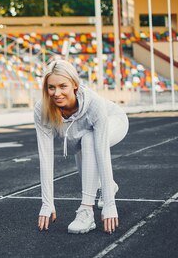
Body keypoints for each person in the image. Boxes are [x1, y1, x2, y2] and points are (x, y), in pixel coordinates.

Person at [34, 59, 128, 234]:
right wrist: (47, 204)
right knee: (85, 149)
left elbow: (102, 154)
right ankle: (105, 186)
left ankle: (86, 211)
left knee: (89, 139)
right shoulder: (42, 110)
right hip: (83, 133)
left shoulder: (94, 104)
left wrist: (109, 204)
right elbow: (45, 158)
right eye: (51, 87)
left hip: (115, 120)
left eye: (63, 86)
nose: (57, 93)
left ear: (75, 85)